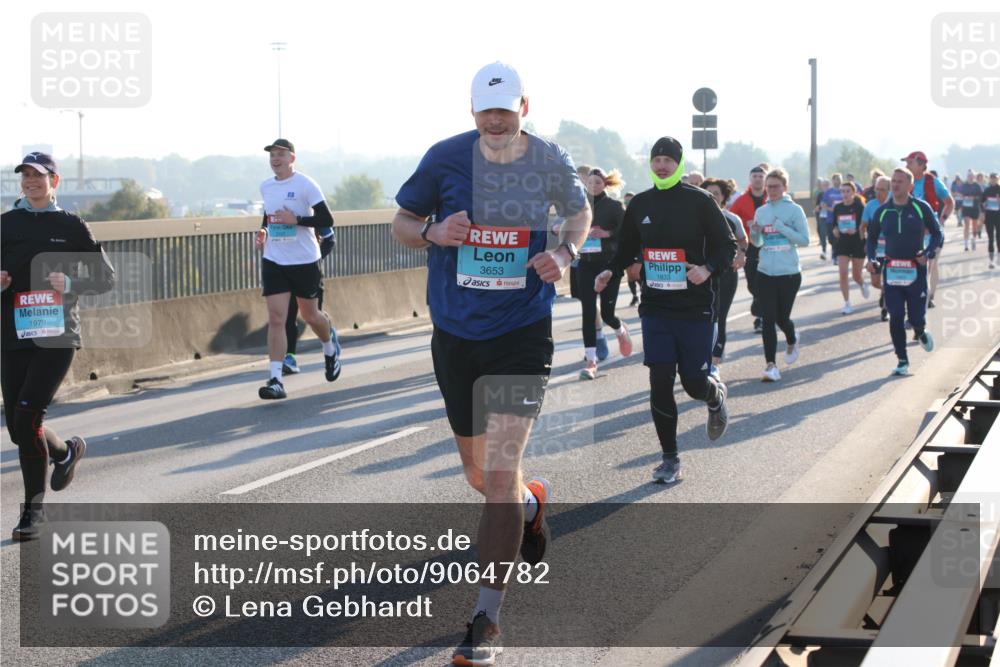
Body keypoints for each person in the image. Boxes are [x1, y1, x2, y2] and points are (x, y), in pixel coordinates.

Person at [391, 61, 591, 666]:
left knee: (498, 476)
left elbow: (580, 214)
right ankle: (530, 506)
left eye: (506, 110)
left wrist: (567, 250)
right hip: (455, 335)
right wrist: (433, 232)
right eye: (487, 111)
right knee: (481, 478)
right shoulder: (444, 158)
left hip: (521, 332)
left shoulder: (550, 160)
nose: (497, 120)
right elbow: (399, 224)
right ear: (472, 112)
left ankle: (486, 619)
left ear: (524, 108)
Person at [595, 136, 735, 485]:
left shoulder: (700, 201)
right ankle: (670, 459)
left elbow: (726, 245)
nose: (661, 165)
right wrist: (611, 269)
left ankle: (712, 394)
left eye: (667, 160)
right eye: (656, 159)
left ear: (679, 163)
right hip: (656, 306)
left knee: (691, 383)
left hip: (695, 306)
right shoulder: (640, 203)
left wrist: (707, 269)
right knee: (659, 381)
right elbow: (626, 247)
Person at [1, 152, 116, 540]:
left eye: (40, 175)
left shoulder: (71, 226)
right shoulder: (6, 223)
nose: (32, 181)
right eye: (26, 175)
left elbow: (105, 280)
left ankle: (33, 512)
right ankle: (65, 453)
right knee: (19, 428)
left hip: (57, 334)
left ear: (55, 181)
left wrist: (71, 285)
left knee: (28, 416)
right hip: (12, 333)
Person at [254, 139, 341, 399]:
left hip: (304, 260)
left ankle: (329, 346)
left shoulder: (305, 184)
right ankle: (276, 380)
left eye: (281, 154)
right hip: (274, 259)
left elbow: (327, 219)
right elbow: (269, 217)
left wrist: (299, 220)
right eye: (272, 155)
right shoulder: (266, 186)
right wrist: (263, 231)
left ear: (292, 158)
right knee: (277, 318)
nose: (275, 159)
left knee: (311, 316)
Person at [867, 168, 943, 376]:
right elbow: (871, 239)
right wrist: (872, 259)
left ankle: (919, 330)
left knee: (917, 317)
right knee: (896, 316)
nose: (895, 185)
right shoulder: (883, 211)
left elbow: (938, 234)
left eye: (900, 181)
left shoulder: (920, 208)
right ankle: (902, 360)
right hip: (892, 271)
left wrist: (927, 253)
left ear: (910, 186)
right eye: (893, 181)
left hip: (916, 271)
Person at [749, 168, 809, 382]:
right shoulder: (762, 211)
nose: (772, 190)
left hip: (789, 273)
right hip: (765, 272)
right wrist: (755, 233)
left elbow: (804, 240)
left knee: (782, 318)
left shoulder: (795, 211)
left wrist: (782, 227)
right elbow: (757, 243)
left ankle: (792, 338)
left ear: (785, 187)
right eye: (769, 186)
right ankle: (770, 365)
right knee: (768, 319)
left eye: (776, 186)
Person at [577, 168, 632, 379]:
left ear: (605, 184)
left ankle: (620, 331)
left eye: (597, 183)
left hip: (608, 265)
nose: (593, 186)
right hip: (585, 264)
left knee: (607, 315)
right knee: (588, 311)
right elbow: (569, 225)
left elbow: (628, 232)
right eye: (589, 183)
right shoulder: (580, 206)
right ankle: (591, 359)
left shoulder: (614, 206)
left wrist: (606, 233)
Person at [702, 177, 747, 379]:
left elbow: (742, 241)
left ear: (724, 198)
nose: (712, 197)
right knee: (702, 317)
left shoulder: (731, 219)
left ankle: (715, 360)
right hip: (702, 275)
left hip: (726, 274)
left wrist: (741, 254)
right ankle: (702, 357)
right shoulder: (695, 217)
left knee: (719, 316)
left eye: (717, 194)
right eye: (708, 193)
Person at [902, 151, 953, 309]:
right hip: (911, 233)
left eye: (910, 163)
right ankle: (921, 298)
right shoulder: (904, 182)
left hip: (931, 234)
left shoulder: (933, 182)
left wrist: (940, 220)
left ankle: (925, 301)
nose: (906, 166)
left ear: (921, 164)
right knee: (917, 267)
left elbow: (949, 202)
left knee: (928, 267)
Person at [730, 164, 770, 333]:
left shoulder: (772, 198)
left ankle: (761, 316)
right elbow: (730, 222)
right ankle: (757, 300)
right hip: (750, 246)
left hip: (770, 245)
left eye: (761, 176)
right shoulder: (741, 201)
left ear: (765, 179)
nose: (758, 179)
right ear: (750, 179)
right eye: (755, 176)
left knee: (767, 280)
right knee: (752, 281)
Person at [831, 181, 870, 314]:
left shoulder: (860, 206)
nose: (845, 194)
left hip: (857, 242)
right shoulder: (838, 208)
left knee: (856, 275)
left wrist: (859, 230)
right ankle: (847, 303)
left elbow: (866, 225)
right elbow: (835, 225)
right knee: (842, 274)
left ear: (853, 192)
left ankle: (862, 284)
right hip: (843, 243)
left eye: (848, 191)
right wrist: (835, 230)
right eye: (843, 191)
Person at [862, 175, 892, 320]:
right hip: (876, 249)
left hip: (892, 250)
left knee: (888, 280)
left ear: (889, 190)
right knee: (875, 282)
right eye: (877, 189)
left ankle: (885, 310)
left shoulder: (894, 204)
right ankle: (886, 291)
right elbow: (863, 225)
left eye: (882, 190)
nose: (879, 192)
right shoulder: (870, 206)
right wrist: (863, 241)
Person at [821, 174, 845, 263]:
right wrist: (830, 209)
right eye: (836, 179)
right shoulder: (828, 192)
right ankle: (835, 253)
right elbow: (823, 203)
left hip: (842, 219)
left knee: (838, 238)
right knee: (831, 238)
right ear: (833, 181)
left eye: (839, 179)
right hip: (830, 219)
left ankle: (836, 256)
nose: (838, 181)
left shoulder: (844, 190)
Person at [958, 169, 984, 252]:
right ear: (967, 177)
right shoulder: (964, 185)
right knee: (967, 224)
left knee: (974, 225)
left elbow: (981, 197)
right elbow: (959, 194)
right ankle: (966, 244)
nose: (970, 178)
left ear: (974, 177)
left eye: (972, 176)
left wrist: (974, 198)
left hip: (975, 207)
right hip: (966, 208)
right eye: (969, 176)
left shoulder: (977, 186)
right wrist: (963, 197)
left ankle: (974, 239)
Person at [623, 191, 639, 306]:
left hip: (640, 249)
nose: (628, 203)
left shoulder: (640, 211)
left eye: (630, 200)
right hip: (628, 249)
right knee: (630, 276)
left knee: (638, 274)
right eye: (626, 201)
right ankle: (634, 296)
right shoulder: (622, 213)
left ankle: (644, 293)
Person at [982, 172, 1000, 269]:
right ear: (989, 179)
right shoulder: (987, 190)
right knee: (990, 239)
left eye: (995, 178)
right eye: (992, 178)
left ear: (998, 179)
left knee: (999, 238)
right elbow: (982, 203)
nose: (993, 179)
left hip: (998, 216)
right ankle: (991, 261)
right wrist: (984, 206)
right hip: (989, 217)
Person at [813, 178, 830, 260]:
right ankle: (824, 251)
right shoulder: (820, 195)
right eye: (823, 185)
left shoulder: (832, 194)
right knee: (822, 233)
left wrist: (828, 207)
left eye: (826, 185)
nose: (825, 187)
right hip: (822, 217)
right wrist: (819, 207)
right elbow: (816, 207)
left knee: (831, 235)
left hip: (831, 217)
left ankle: (834, 251)